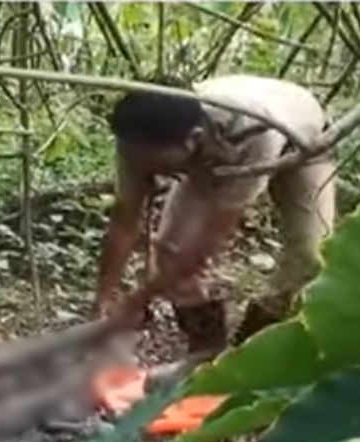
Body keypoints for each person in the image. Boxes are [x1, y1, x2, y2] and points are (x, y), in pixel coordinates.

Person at [94, 75, 336, 355]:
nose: (146, 171)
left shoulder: (254, 131)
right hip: (210, 155)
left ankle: (250, 347)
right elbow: (125, 221)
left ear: (192, 141)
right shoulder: (136, 142)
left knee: (310, 257)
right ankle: (206, 352)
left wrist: (137, 300)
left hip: (302, 143)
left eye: (154, 164)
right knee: (170, 250)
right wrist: (102, 303)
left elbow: (208, 243)